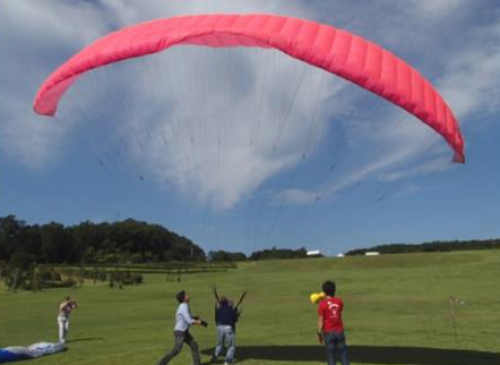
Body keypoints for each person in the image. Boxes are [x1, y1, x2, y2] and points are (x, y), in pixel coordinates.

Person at [155, 290, 207, 365]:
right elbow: (189, 320)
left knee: (194, 345)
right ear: (183, 298)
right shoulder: (183, 307)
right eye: (186, 295)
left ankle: (197, 363)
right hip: (180, 332)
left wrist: (195, 317)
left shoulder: (185, 306)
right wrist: (200, 322)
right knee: (176, 350)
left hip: (184, 331)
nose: (188, 295)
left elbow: (187, 317)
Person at [317, 281, 349, 365]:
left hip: (328, 332)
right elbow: (339, 310)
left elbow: (321, 320)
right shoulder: (339, 301)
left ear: (324, 292)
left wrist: (319, 333)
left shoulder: (322, 304)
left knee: (331, 356)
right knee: (343, 354)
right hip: (339, 331)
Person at [210, 296, 238, 365]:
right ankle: (227, 361)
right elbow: (234, 320)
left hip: (219, 327)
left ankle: (215, 356)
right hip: (228, 328)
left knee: (220, 344)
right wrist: (236, 313)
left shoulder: (218, 309)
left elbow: (216, 319)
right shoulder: (230, 309)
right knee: (231, 346)